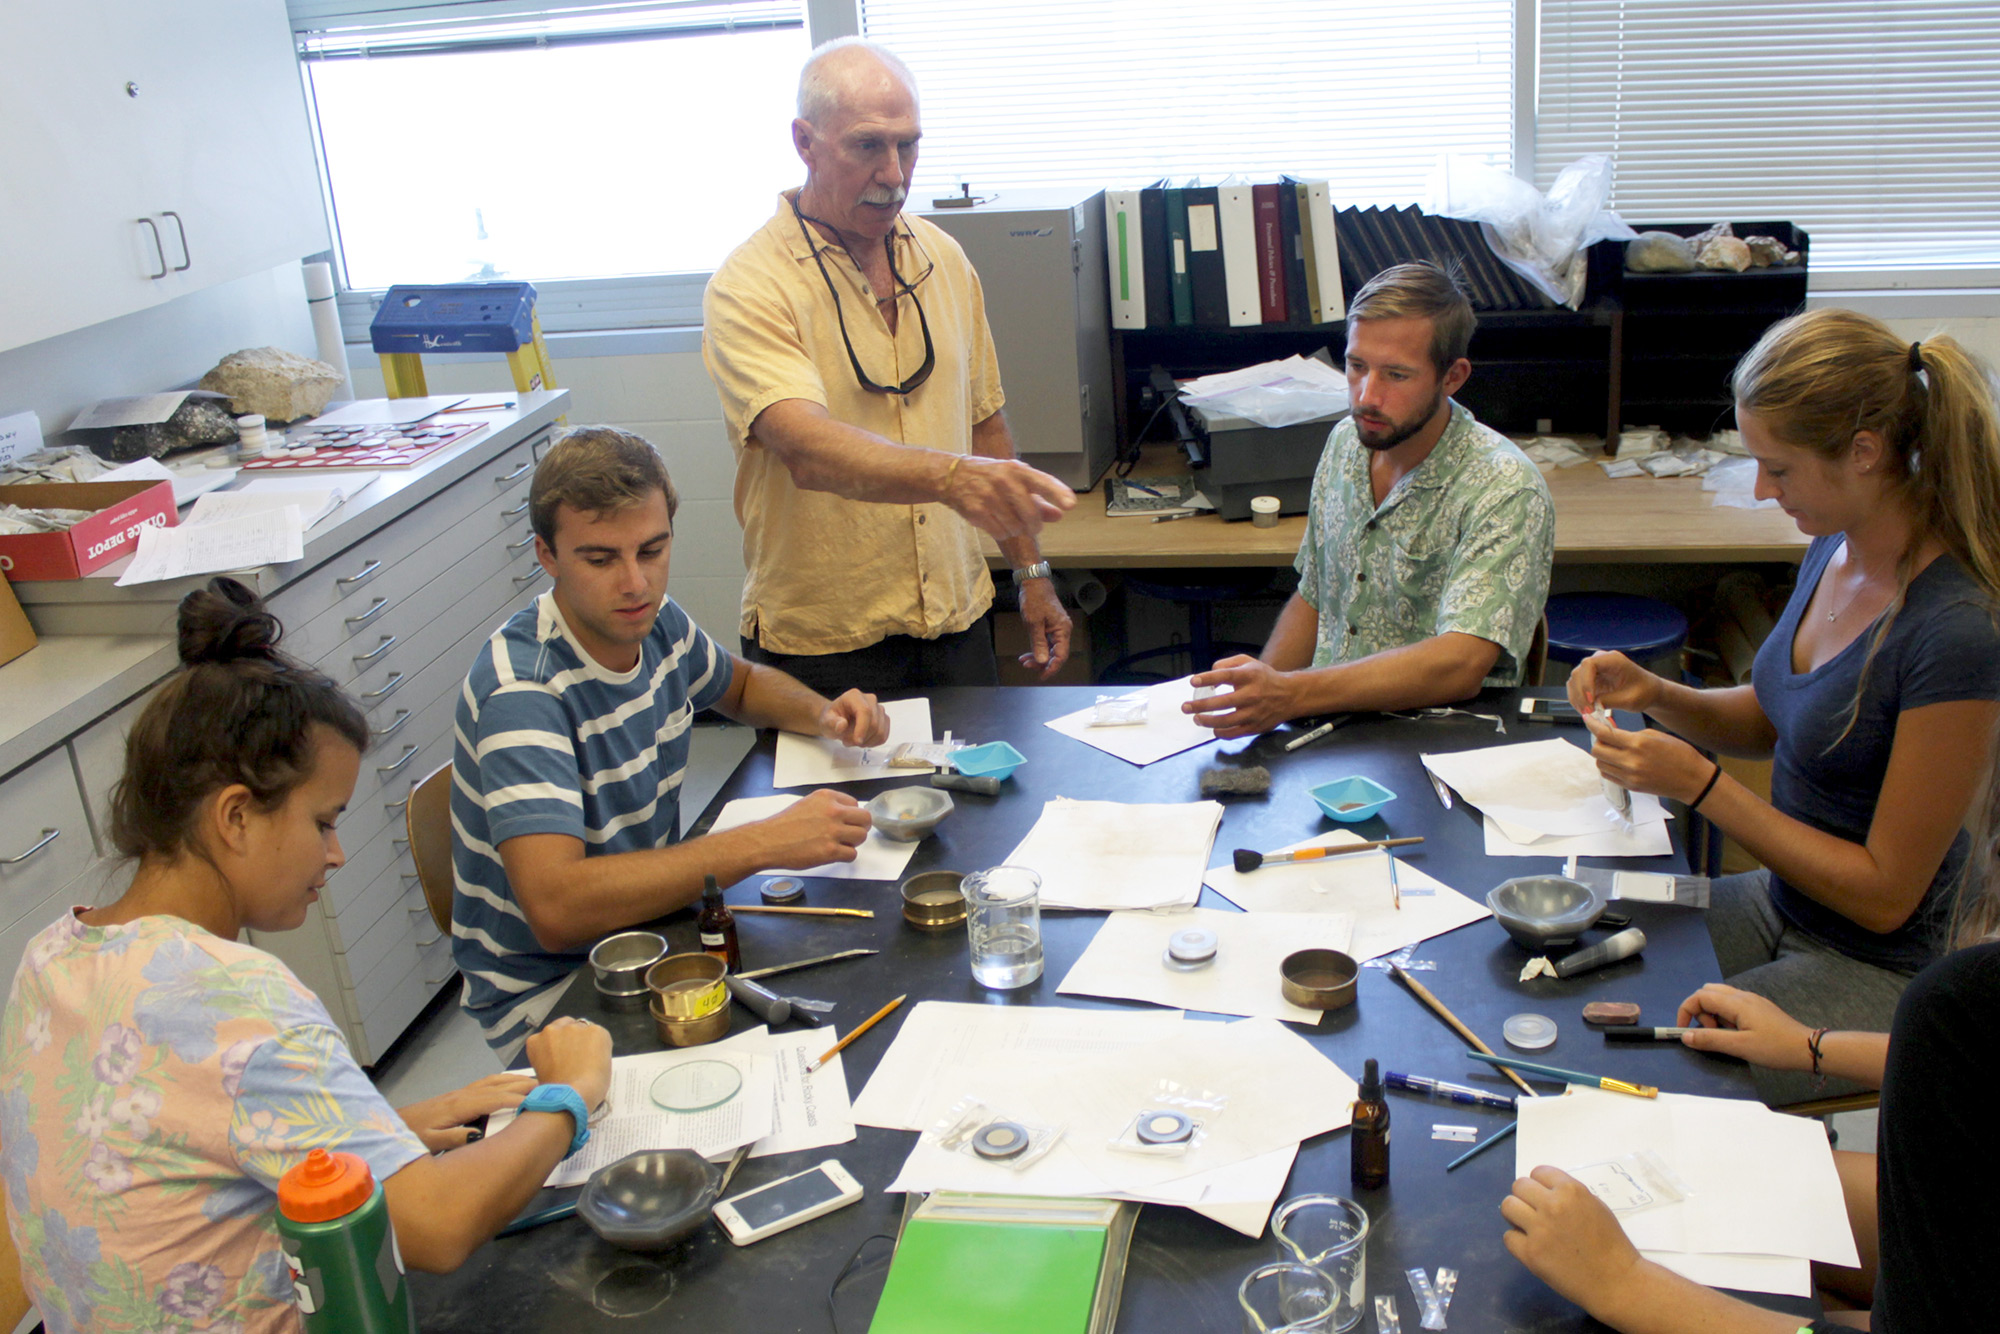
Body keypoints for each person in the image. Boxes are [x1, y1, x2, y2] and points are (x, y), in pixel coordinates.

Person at [0, 578, 614, 1334]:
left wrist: (372, 1128)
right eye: (323, 822)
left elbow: (182, 1138)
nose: (336, 854)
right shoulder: (237, 997)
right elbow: (438, 1228)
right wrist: (569, 1099)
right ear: (235, 817)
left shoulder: (52, 956)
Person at [1568, 309, 2000, 1103]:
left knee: (1643, 1074)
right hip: (1780, 901)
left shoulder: (1956, 632)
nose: (1763, 490)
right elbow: (1778, 718)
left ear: (1863, 454)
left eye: (1780, 468)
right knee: (1576, 939)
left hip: (1874, 965)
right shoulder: (1835, 545)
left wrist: (1702, 787)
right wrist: (1656, 693)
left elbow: (1883, 894)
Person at [1503, 747, 2000, 1331]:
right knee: (1716, 1175)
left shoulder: (1956, 1005)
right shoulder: (1961, 1019)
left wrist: (1627, 1286)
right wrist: (1807, 1045)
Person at [451, 427, 892, 1056]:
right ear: (546, 555)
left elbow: (737, 684)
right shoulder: (525, 692)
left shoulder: (654, 623)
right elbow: (558, 909)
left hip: (646, 927)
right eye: (600, 560)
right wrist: (765, 841)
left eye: (652, 550)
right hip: (558, 994)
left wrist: (825, 716)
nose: (635, 583)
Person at [702, 37, 1077, 693]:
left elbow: (984, 424)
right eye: (869, 146)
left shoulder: (944, 260)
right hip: (826, 643)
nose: (896, 173)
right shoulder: (749, 284)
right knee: (843, 800)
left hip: (956, 623)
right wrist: (950, 477)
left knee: (972, 795)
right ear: (805, 142)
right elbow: (806, 449)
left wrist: (1031, 572)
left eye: (909, 145)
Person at [1184, 261, 1555, 738]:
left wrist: (1292, 694)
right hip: (1328, 729)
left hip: (1440, 745)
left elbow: (1460, 663)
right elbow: (1316, 594)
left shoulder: (1503, 486)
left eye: (1397, 375)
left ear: (1453, 377)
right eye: (1356, 366)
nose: (1367, 396)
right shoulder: (1346, 442)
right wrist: (1259, 702)